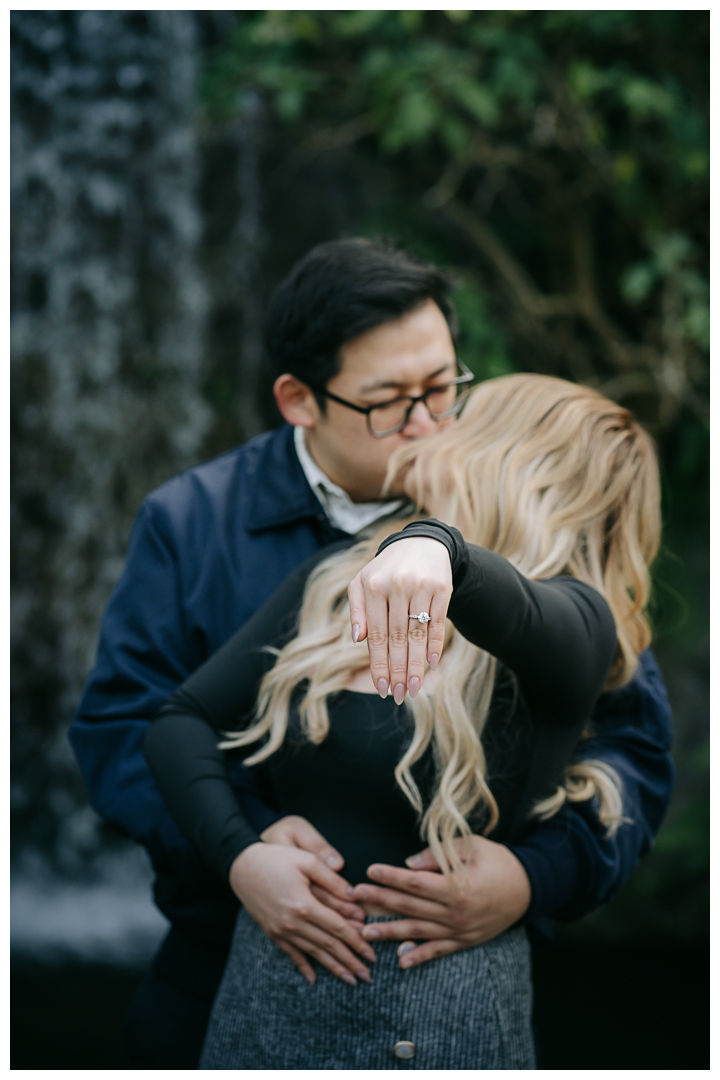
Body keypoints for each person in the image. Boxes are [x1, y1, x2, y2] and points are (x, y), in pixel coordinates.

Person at [69, 239, 673, 1068]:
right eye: (391, 402)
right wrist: (243, 849)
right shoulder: (192, 523)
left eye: (443, 390)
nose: (426, 425)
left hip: (446, 985)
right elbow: (129, 727)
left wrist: (538, 875)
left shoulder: (548, 582)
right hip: (226, 957)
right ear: (300, 400)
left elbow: (632, 751)